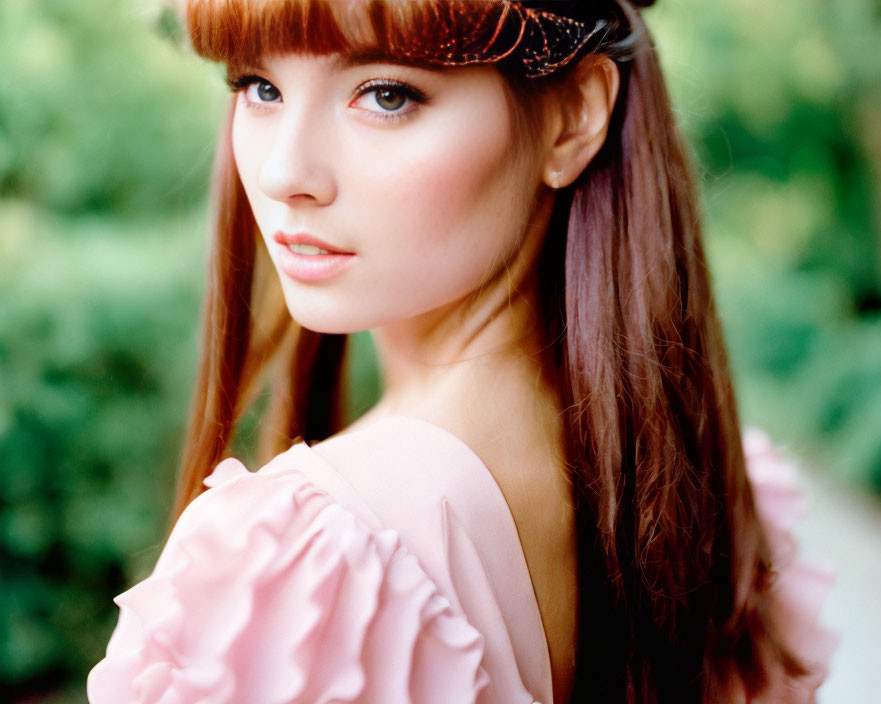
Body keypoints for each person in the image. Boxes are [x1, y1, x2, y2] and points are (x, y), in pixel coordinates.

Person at [87, 1, 836, 702]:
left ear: (573, 119)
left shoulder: (320, 559)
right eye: (258, 86)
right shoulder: (695, 488)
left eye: (385, 94)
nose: (286, 173)